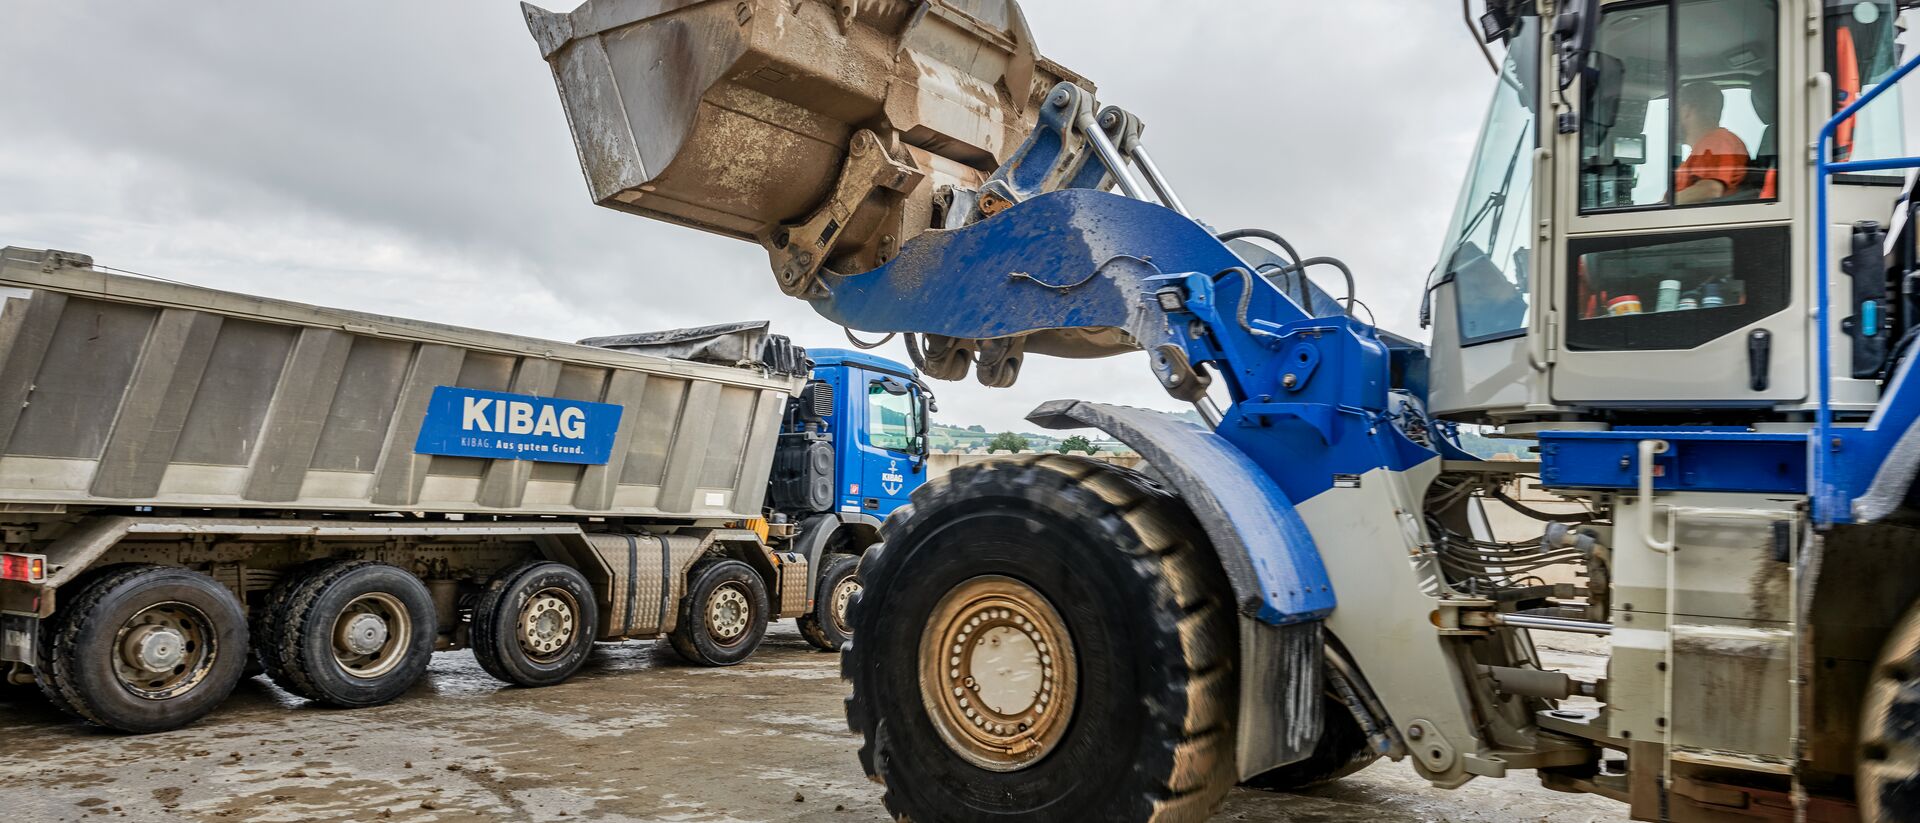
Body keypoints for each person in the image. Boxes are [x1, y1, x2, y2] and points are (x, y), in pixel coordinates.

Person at [1673, 80, 1752, 205]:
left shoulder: (1719, 142)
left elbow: (1710, 189)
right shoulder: (1702, 151)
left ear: (1686, 111)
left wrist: (1663, 205)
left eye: (1671, 110)